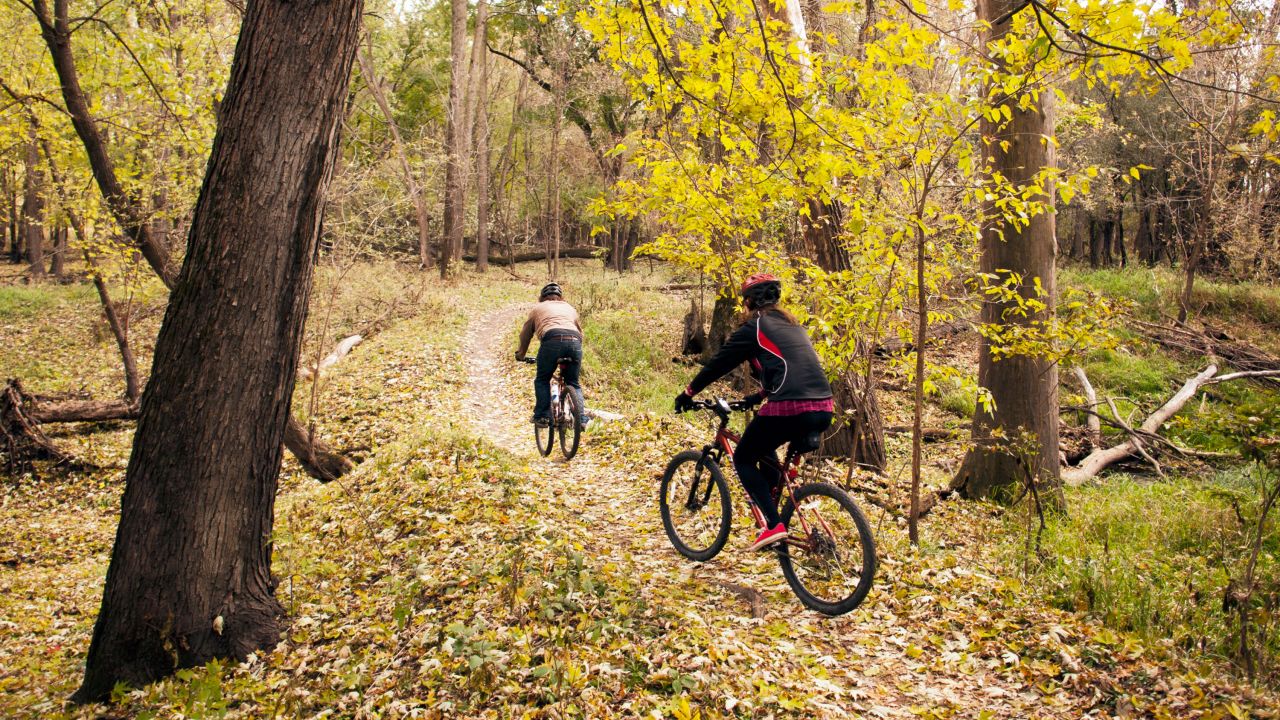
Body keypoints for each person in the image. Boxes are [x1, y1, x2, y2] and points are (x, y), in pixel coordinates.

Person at [674, 273, 833, 551]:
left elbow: (718, 364)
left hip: (789, 406)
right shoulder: (793, 326)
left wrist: (688, 392)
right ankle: (774, 507)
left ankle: (774, 525)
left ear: (749, 302)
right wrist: (757, 397)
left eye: (745, 300)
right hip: (823, 407)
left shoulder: (755, 328)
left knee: (744, 457)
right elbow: (789, 370)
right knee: (765, 449)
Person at [516, 282, 587, 427]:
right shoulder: (569, 308)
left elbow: (525, 334)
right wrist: (574, 351)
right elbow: (580, 332)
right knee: (573, 383)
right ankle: (581, 419)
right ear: (560, 297)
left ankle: (542, 416)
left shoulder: (538, 308)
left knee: (542, 379)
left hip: (552, 340)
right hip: (575, 342)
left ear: (542, 297)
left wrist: (521, 354)